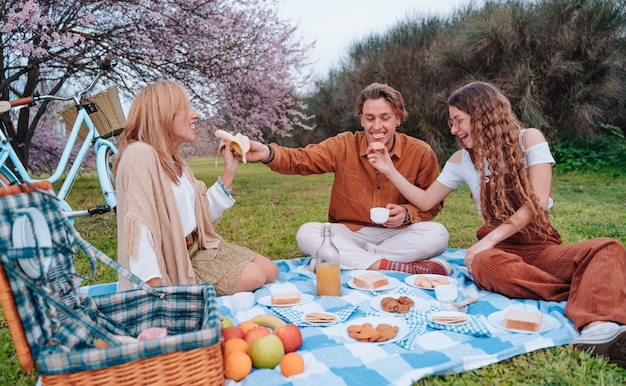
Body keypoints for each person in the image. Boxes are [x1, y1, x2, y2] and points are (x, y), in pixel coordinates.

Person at [366, 81, 626, 367]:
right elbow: (426, 201)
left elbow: (537, 202)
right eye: (452, 123)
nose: (454, 130)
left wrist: (487, 240)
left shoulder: (529, 140)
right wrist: (389, 169)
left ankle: (599, 327)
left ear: (482, 114)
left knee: (607, 248)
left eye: (458, 121)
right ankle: (585, 289)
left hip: (540, 246)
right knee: (483, 264)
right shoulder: (461, 159)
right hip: (499, 254)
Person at [246, 82, 451, 275]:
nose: (377, 126)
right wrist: (266, 152)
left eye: (385, 118)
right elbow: (301, 159)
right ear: (361, 119)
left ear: (398, 118)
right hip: (348, 233)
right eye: (370, 118)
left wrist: (407, 214)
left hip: (396, 234)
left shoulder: (420, 152)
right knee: (306, 232)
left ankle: (341, 260)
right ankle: (390, 266)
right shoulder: (343, 145)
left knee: (438, 234)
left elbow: (432, 204)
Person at [114, 80, 278, 296]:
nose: (197, 115)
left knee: (270, 271)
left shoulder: (175, 161)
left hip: (197, 248)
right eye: (186, 108)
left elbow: (199, 214)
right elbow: (138, 228)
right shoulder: (139, 155)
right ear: (163, 114)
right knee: (256, 276)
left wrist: (230, 169)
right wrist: (155, 294)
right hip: (173, 263)